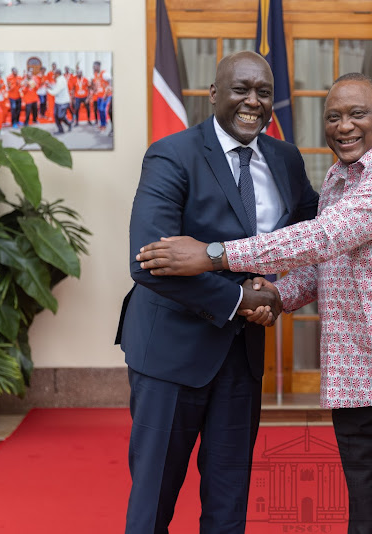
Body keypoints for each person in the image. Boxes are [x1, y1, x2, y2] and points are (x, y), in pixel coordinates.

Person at [136, 72, 372, 534]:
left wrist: (213, 254)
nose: (344, 127)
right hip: (360, 377)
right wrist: (274, 296)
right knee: (368, 519)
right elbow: (326, 264)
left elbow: (323, 237)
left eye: (357, 114)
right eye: (333, 117)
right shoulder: (340, 178)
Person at [115, 50, 319, 534]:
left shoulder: (287, 160)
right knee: (153, 502)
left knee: (229, 503)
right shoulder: (172, 154)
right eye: (241, 89)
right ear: (213, 94)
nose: (253, 102)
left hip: (242, 357)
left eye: (264, 92)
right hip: (170, 355)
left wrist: (277, 291)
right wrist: (241, 300)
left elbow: (317, 235)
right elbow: (148, 262)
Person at [46, 69, 71, 134]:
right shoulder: (59, 80)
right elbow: (56, 88)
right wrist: (50, 86)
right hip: (58, 101)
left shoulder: (61, 80)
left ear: (58, 74)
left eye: (54, 74)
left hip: (63, 102)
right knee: (56, 116)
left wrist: (48, 90)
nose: (53, 75)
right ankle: (61, 130)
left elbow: (55, 92)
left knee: (60, 116)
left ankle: (69, 124)